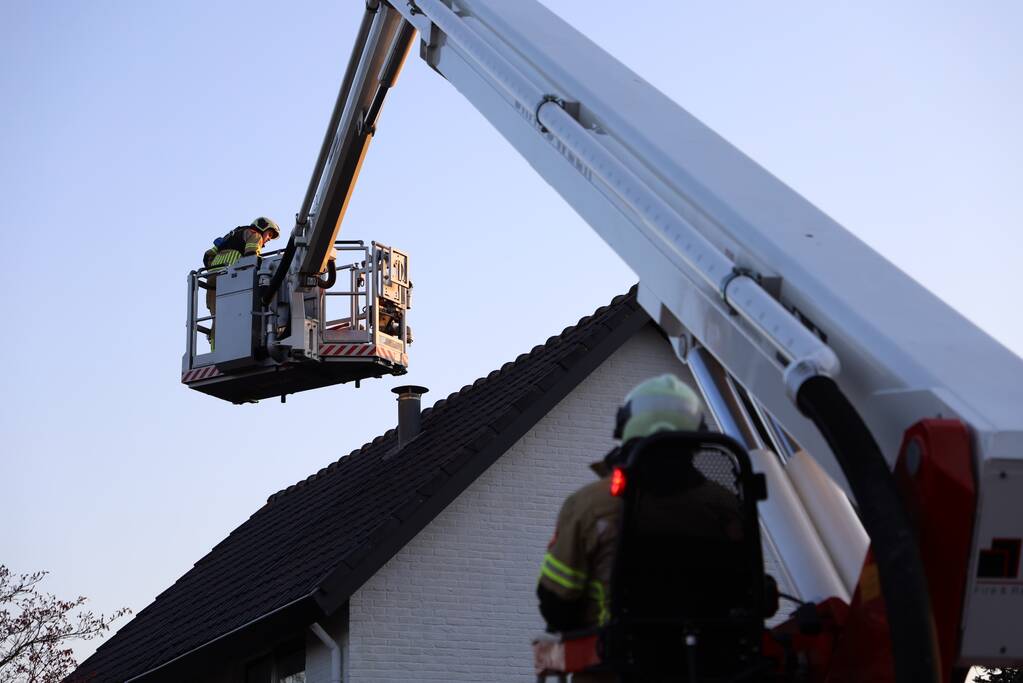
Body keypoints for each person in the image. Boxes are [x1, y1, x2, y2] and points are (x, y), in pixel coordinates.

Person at [201, 217, 280, 348]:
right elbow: (251, 255)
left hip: (212, 279)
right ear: (262, 227)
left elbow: (207, 255)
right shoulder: (255, 235)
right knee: (239, 313)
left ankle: (215, 351)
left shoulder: (230, 235)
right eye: (269, 235)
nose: (267, 240)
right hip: (231, 278)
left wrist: (213, 269)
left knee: (217, 318)